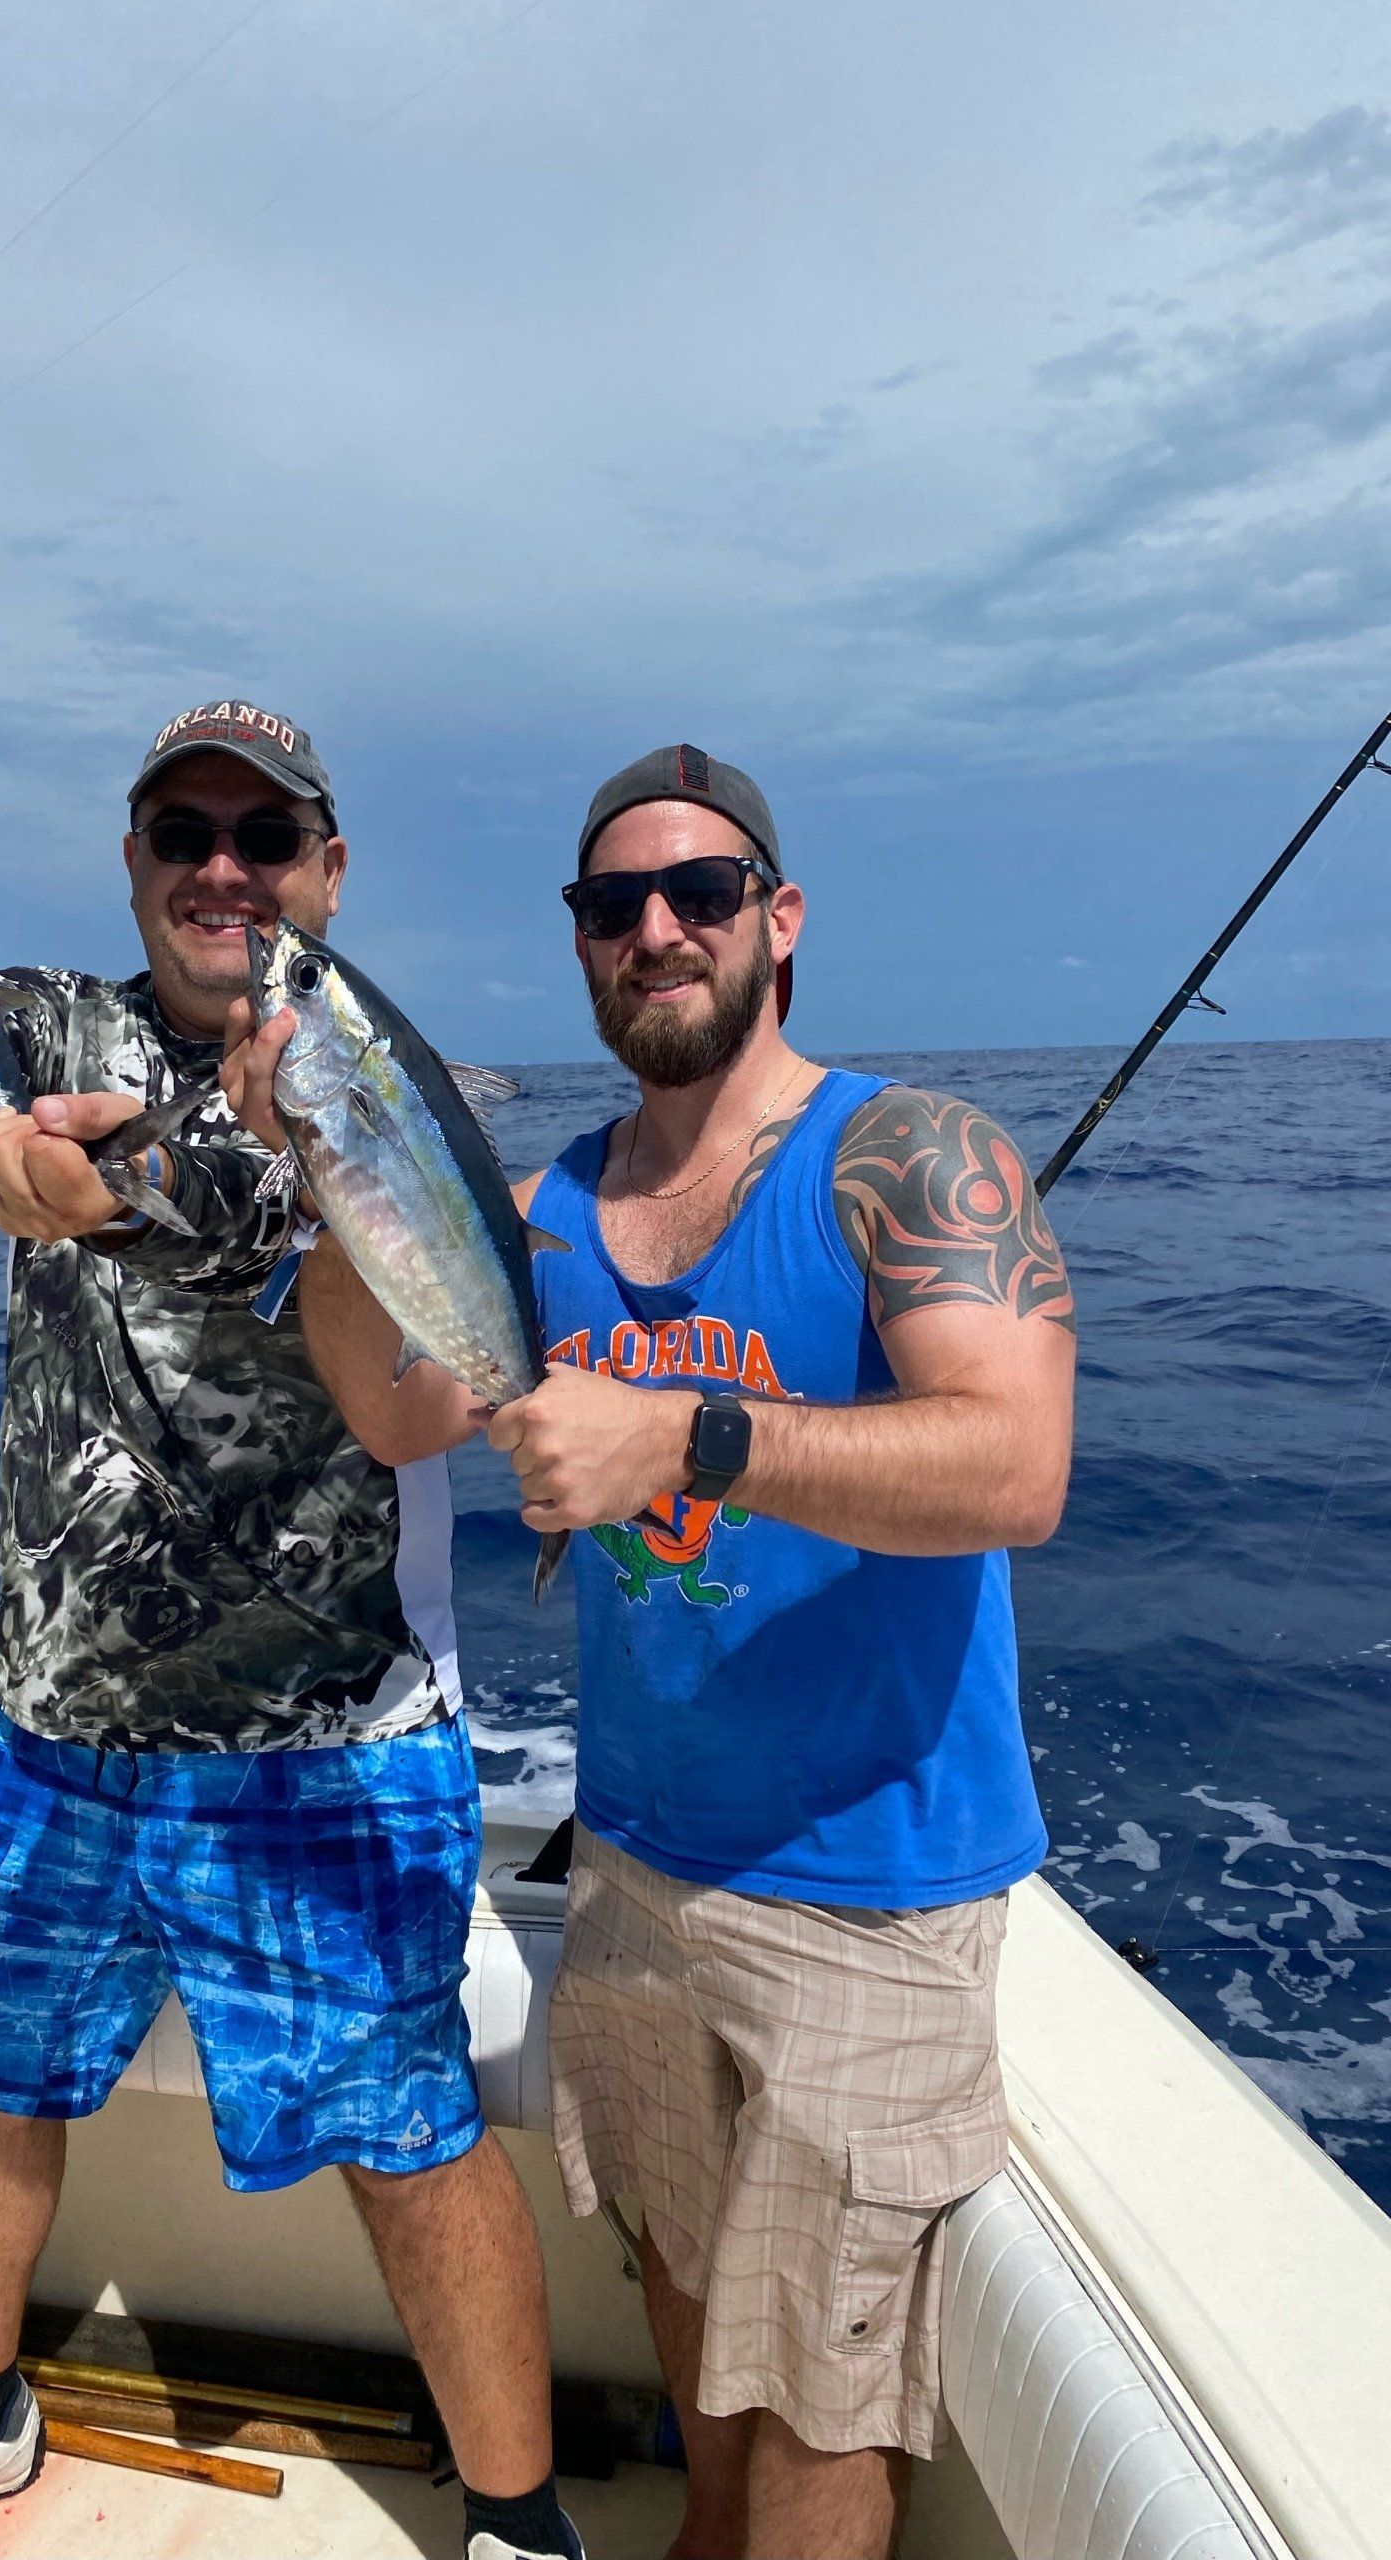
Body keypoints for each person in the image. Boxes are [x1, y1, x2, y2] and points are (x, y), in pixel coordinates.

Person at [0, 692, 583, 2560]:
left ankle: (520, 2519)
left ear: (325, 873)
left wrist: (125, 1201)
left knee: (408, 2134)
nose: (221, 869)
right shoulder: (54, 1030)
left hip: (327, 1734)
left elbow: (354, 1325)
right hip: (43, 1713)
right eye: (182, 836)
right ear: (137, 863)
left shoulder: (396, 1086)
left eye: (262, 840)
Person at [253, 743, 1074, 2560]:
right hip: (635, 1867)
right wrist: (331, 1175)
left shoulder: (910, 1154)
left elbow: (1017, 1469)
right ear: (582, 949)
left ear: (777, 923)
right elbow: (396, 1415)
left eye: (700, 893)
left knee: (814, 2418)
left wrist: (689, 1433)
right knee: (698, 2338)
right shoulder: (546, 1206)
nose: (656, 929)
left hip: (863, 1894)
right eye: (612, 905)